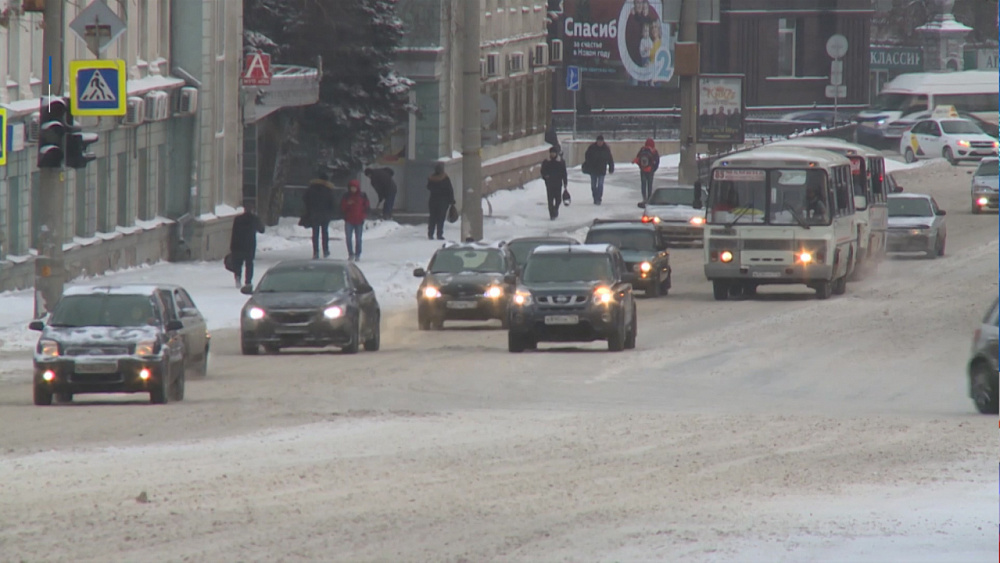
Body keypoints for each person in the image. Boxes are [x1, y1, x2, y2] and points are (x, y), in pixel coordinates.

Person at [229, 202, 266, 291]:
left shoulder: (238, 219)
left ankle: (238, 277)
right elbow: (262, 230)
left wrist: (232, 246)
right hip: (249, 245)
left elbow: (234, 232)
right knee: (249, 263)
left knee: (238, 263)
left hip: (238, 244)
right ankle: (248, 281)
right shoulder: (254, 219)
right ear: (252, 210)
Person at [302, 172, 336, 259]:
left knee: (315, 233)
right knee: (325, 233)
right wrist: (330, 212)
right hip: (325, 214)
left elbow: (305, 199)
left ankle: (316, 251)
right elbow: (332, 203)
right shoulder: (328, 190)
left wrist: (310, 209)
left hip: (314, 213)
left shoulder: (312, 188)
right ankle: (326, 250)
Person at [340, 179, 370, 261]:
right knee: (348, 238)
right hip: (349, 220)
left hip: (359, 220)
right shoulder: (346, 196)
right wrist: (347, 204)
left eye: (354, 187)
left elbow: (367, 206)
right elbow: (342, 207)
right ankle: (350, 253)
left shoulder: (362, 196)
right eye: (352, 187)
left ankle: (357, 254)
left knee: (358, 239)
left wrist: (363, 216)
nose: (353, 189)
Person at [582, 135, 615, 205]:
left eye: (601, 141)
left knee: (600, 185)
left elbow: (610, 159)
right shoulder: (592, 148)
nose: (600, 143)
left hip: (602, 170)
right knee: (593, 185)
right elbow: (587, 156)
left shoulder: (606, 149)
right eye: (599, 141)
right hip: (593, 169)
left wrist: (611, 168)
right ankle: (595, 197)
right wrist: (589, 163)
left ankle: (599, 198)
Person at [426, 162, 455, 240]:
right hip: (443, 201)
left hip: (433, 200)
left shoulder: (431, 178)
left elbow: (428, 187)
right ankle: (439, 234)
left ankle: (430, 233)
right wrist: (452, 201)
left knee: (432, 217)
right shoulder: (445, 178)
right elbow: (450, 189)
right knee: (441, 218)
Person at [540, 146, 568, 220]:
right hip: (549, 183)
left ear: (556, 153)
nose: (552, 154)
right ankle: (551, 214)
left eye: (554, 153)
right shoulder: (546, 161)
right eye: (551, 153)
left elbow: (564, 173)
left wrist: (565, 182)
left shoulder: (561, 162)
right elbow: (542, 171)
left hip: (558, 183)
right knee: (550, 199)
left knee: (558, 199)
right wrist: (545, 176)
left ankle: (556, 209)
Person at [633, 138, 660, 203]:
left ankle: (644, 198)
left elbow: (638, 159)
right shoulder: (654, 151)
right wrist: (653, 169)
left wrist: (641, 167)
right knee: (649, 185)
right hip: (650, 170)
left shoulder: (642, 150)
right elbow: (657, 161)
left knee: (643, 184)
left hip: (643, 170)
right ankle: (649, 198)